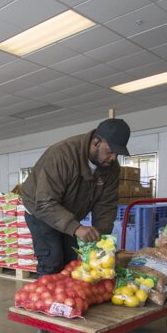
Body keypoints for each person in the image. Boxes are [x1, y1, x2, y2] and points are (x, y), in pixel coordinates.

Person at [20, 118, 130, 276]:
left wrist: (100, 242)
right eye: (110, 151)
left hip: (68, 212)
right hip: (40, 210)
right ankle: (45, 299)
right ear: (96, 142)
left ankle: (67, 299)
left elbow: (106, 206)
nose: (113, 158)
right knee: (53, 261)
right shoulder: (62, 155)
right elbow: (45, 203)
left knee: (72, 263)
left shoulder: (111, 169)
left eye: (117, 154)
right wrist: (76, 228)